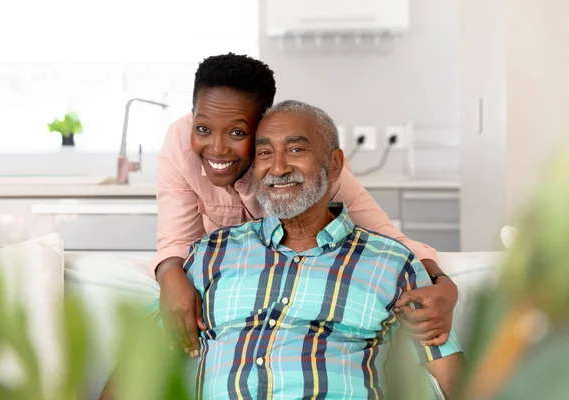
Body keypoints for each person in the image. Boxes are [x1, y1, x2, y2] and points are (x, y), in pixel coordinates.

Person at [152, 53, 458, 358]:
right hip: (231, 276)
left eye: (237, 133)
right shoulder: (180, 143)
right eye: (203, 128)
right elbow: (177, 241)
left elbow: (387, 237)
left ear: (262, 129)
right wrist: (171, 275)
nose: (217, 148)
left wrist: (442, 283)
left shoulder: (313, 172)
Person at [176, 100, 463, 399]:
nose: (278, 167)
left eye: (296, 150)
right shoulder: (212, 254)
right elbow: (143, 363)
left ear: (334, 163)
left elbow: (455, 380)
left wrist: (443, 282)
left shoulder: (392, 263)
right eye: (264, 153)